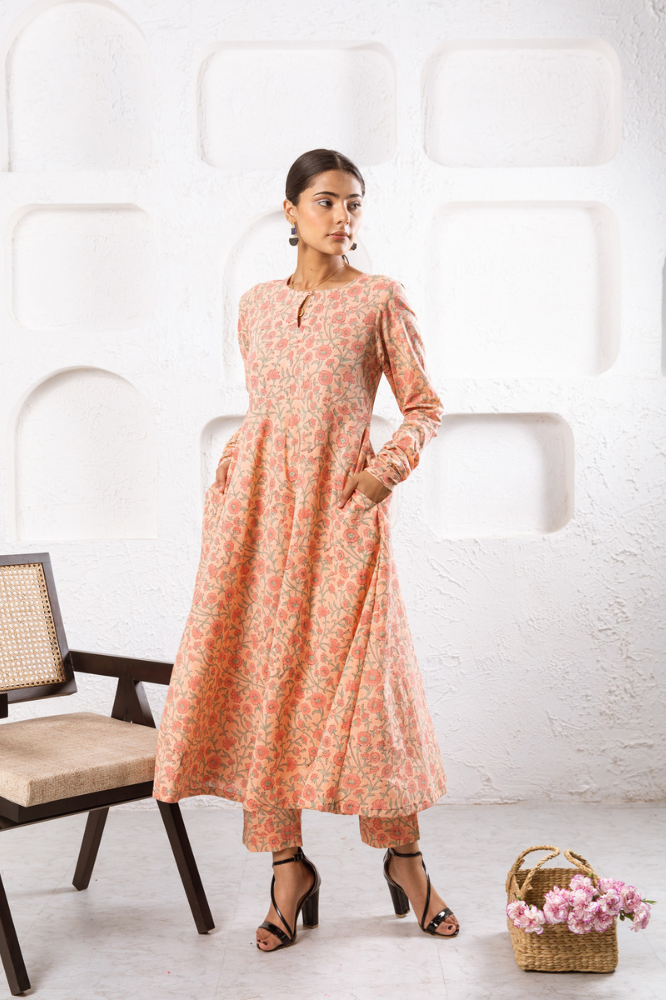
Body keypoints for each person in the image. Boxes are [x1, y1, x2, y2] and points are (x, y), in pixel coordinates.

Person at [153, 148, 459, 950]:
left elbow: (423, 406)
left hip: (342, 514)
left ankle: (406, 859)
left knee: (370, 692)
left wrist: (382, 475)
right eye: (325, 201)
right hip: (256, 516)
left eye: (353, 204)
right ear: (290, 211)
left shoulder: (379, 299)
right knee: (267, 683)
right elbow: (267, 408)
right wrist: (231, 478)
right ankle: (287, 868)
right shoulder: (256, 305)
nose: (342, 217)